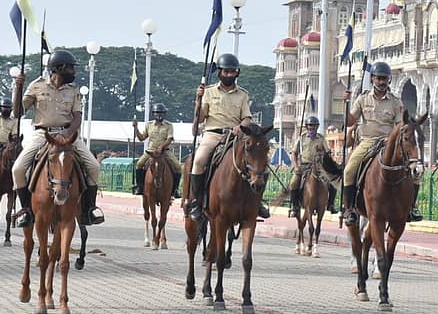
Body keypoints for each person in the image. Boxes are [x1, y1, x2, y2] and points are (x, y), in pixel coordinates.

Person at [10, 50, 104, 227]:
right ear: (58, 68)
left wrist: (67, 134)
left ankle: (89, 209)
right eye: (70, 68)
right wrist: (18, 88)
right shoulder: (36, 86)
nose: (74, 72)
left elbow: (77, 117)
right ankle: (25, 210)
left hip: (68, 135)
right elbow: (18, 112)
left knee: (93, 166)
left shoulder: (73, 90)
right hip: (42, 134)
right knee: (18, 169)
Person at [188, 53, 269, 222]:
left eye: (232, 72)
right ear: (219, 72)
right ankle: (197, 201)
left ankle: (257, 202)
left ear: (237, 73)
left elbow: (247, 117)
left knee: (259, 164)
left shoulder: (242, 95)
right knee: (198, 161)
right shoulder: (208, 92)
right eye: (226, 72)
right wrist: (198, 100)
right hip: (213, 134)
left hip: (235, 136)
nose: (229, 75)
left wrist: (241, 126)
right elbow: (201, 118)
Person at [341, 61, 422, 225]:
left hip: (388, 142)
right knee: (349, 170)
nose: (381, 82)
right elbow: (350, 121)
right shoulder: (363, 99)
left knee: (416, 172)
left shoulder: (395, 102)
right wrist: (346, 104)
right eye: (378, 78)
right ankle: (349, 209)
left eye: (384, 78)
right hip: (367, 142)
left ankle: (411, 208)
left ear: (389, 80)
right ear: (372, 79)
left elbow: (401, 125)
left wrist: (392, 138)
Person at [284, 115, 337, 218]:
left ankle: (331, 204)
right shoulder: (302, 138)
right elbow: (294, 153)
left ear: (317, 127)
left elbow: (327, 153)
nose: (312, 129)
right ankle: (295, 207)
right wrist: (296, 166)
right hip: (304, 165)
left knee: (332, 182)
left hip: (319, 166)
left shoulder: (321, 139)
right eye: (310, 127)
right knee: (293, 183)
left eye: (314, 127)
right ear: (307, 127)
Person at [132, 103, 181, 198]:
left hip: (164, 151)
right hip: (151, 151)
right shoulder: (149, 125)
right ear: (154, 113)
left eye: (162, 112)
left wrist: (161, 148)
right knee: (139, 164)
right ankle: (140, 187)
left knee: (178, 167)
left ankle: (175, 189)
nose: (160, 114)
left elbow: (169, 139)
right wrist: (136, 128)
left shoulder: (169, 125)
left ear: (165, 113)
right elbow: (142, 138)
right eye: (157, 112)